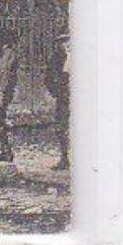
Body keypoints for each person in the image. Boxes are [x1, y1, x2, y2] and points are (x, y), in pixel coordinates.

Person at [0, 33, 21, 162]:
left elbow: (6, 74)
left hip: (0, 91)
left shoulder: (8, 54)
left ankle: (6, 152)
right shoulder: (0, 54)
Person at [46, 32, 70, 171]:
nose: (66, 44)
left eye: (68, 40)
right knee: (61, 127)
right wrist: (57, 92)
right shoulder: (56, 58)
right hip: (63, 98)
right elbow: (48, 78)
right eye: (63, 41)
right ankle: (64, 157)